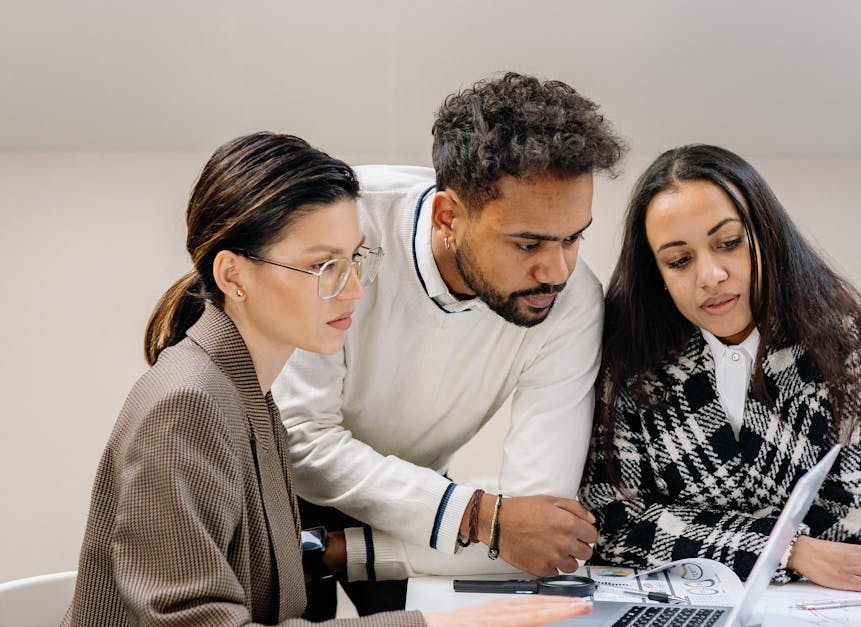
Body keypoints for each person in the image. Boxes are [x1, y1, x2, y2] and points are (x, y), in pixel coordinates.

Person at [64, 132, 592, 626]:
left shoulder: (246, 395)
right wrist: (436, 623)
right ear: (233, 275)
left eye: (356, 258)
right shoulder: (186, 406)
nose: (356, 290)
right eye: (324, 267)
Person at [272, 72, 626, 617]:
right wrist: (482, 516)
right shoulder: (345, 227)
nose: (557, 270)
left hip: (423, 506)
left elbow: (537, 529)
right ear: (448, 217)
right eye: (528, 242)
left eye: (575, 236)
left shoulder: (574, 300)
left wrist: (481, 520)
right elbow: (300, 443)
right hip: (281, 498)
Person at [579, 144, 861, 596]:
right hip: (675, 607)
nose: (710, 275)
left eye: (727, 243)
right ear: (657, 275)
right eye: (679, 260)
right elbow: (609, 520)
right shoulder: (627, 354)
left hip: (806, 606)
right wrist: (789, 548)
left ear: (766, 236)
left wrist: (686, 532)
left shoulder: (830, 336)